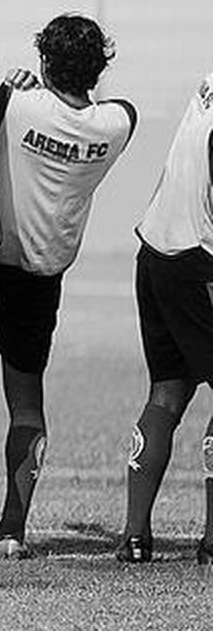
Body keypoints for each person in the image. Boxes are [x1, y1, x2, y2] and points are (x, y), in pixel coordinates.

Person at [0, 15, 135, 558]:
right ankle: (10, 530)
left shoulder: (20, 104)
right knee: (26, 403)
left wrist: (9, 85)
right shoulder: (112, 125)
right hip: (43, 274)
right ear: (99, 69)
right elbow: (128, 111)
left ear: (45, 61)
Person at [119, 71, 213, 566]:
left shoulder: (206, 83)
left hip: (155, 250)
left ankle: (135, 538)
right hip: (198, 259)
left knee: (167, 393)